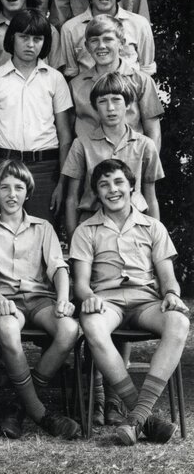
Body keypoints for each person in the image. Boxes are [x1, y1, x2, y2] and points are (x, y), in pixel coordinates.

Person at [72, 159, 189, 446]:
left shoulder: (153, 227)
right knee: (93, 326)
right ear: (96, 193)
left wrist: (172, 294)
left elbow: (167, 278)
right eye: (104, 184)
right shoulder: (86, 230)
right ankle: (144, 418)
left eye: (118, 182)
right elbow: (81, 283)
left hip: (145, 302)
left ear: (131, 186)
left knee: (179, 321)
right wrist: (88, 298)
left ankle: (136, 417)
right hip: (106, 302)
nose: (112, 189)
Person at [0, 160, 81, 440]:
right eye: (4, 187)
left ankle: (19, 405)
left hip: (39, 299)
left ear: (28, 193)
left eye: (18, 187)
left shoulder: (43, 227)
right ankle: (39, 412)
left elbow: (59, 267)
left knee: (69, 329)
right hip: (4, 300)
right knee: (9, 329)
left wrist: (63, 298)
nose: (11, 194)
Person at [0, 9, 72, 225]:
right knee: (4, 232)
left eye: (37, 39)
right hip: (5, 165)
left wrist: (61, 183)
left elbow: (65, 135)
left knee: (41, 233)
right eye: (24, 37)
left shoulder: (55, 79)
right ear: (12, 38)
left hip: (45, 168)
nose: (30, 44)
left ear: (45, 42)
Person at [62, 73, 162, 240]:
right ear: (95, 107)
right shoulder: (81, 145)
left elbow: (151, 198)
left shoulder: (145, 145)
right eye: (102, 101)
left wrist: (155, 241)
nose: (110, 108)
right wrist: (74, 241)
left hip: (135, 230)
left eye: (116, 100)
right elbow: (72, 199)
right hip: (92, 229)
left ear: (128, 104)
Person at [67, 14, 163, 149]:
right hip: (90, 163)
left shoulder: (142, 81)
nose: (101, 46)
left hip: (131, 162)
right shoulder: (75, 85)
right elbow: (68, 134)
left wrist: (149, 166)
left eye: (108, 39)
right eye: (94, 41)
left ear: (121, 43)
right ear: (87, 46)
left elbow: (153, 131)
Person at [55, 0, 155, 77]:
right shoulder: (70, 29)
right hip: (87, 93)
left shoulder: (140, 24)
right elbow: (72, 74)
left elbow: (147, 72)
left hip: (131, 92)